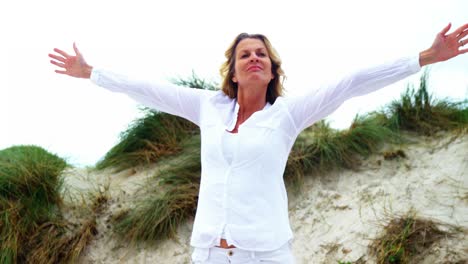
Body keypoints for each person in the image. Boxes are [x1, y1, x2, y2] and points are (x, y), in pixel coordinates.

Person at [49, 23, 467, 264]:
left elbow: (351, 83)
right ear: (232, 70)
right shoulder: (207, 106)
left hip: (266, 255)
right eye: (245, 54)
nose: (254, 58)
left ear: (272, 71)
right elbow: (149, 89)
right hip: (209, 252)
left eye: (262, 55)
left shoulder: (286, 114)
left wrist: (424, 58)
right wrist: (92, 73)